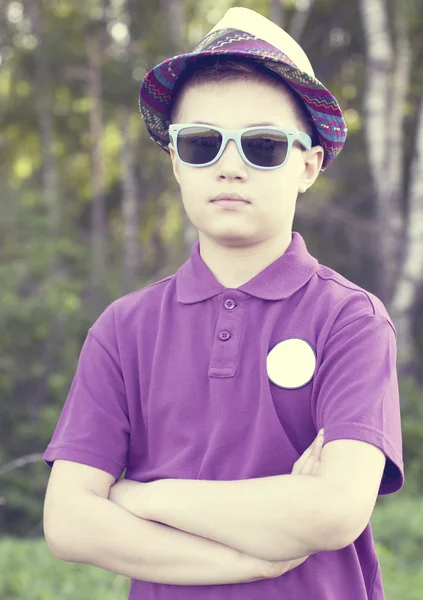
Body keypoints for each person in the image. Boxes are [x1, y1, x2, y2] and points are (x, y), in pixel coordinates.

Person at [43, 6, 404, 600]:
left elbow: (334, 511)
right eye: (202, 143)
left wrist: (142, 496)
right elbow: (69, 524)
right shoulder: (124, 328)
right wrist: (255, 562)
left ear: (308, 166)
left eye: (262, 145)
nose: (230, 166)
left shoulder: (350, 320)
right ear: (176, 163)